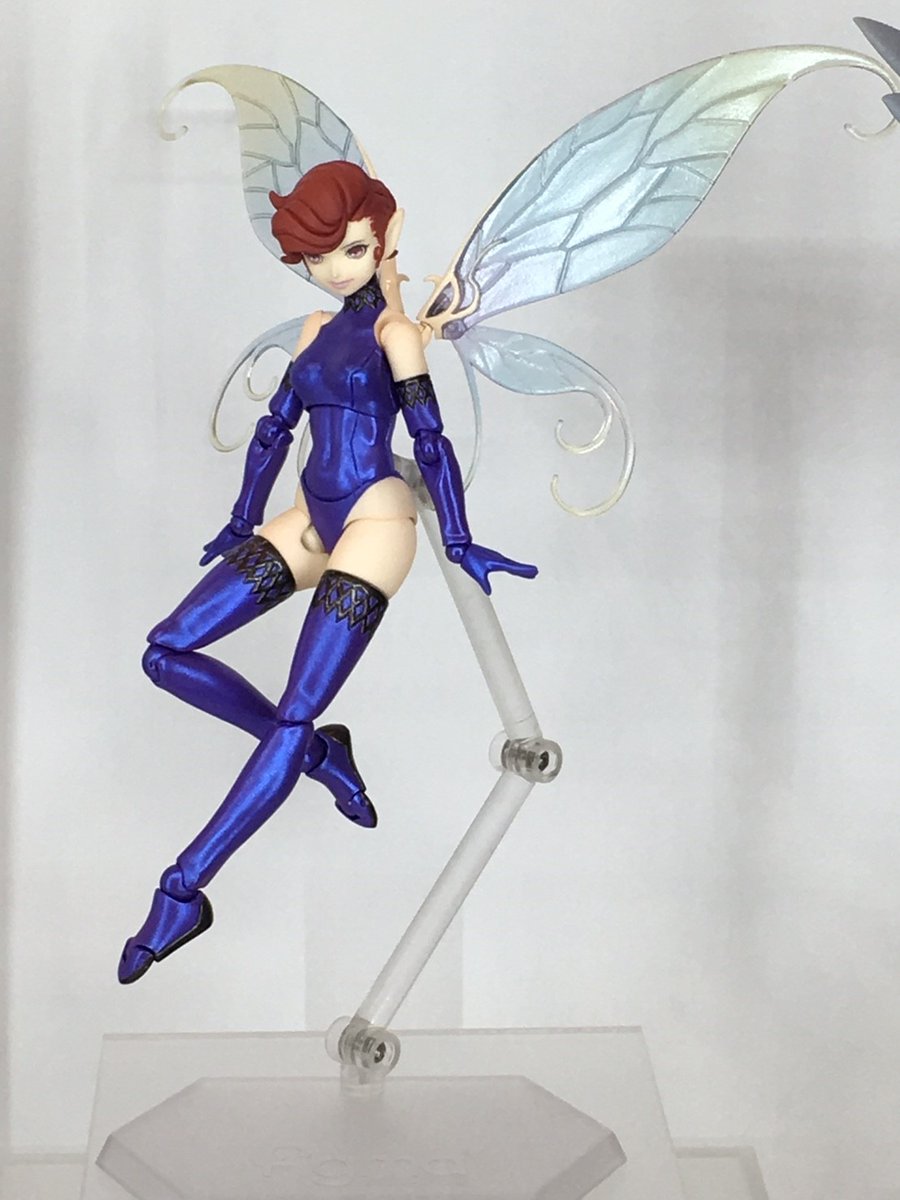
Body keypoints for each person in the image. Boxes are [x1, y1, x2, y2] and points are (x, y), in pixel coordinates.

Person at [118, 161, 537, 984]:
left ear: (386, 234)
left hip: (376, 522)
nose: (332, 270)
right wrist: (242, 518)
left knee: (292, 709)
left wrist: (459, 538)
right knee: (166, 651)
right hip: (310, 518)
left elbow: (431, 441)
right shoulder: (314, 328)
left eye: (348, 249)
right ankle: (319, 756)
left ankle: (183, 888)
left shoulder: (397, 335)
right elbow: (274, 431)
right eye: (315, 257)